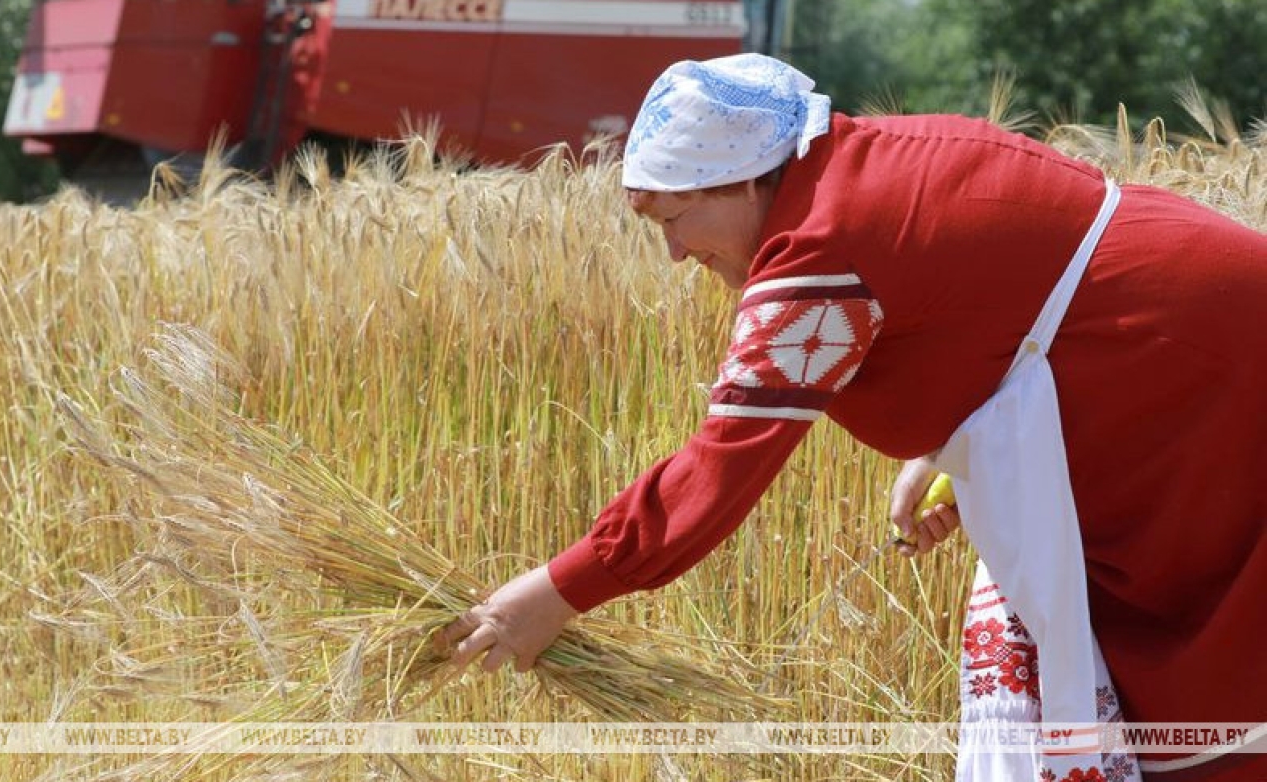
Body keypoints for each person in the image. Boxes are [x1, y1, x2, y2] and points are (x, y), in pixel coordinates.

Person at [436, 53, 1267, 781]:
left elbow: (721, 466)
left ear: (744, 178)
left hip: (1194, 380)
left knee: (1207, 664)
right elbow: (1003, 290)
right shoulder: (865, 158)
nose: (676, 253)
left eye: (674, 217)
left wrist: (553, 594)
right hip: (1197, 341)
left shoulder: (817, 250)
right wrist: (955, 445)